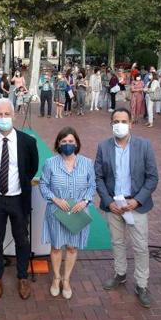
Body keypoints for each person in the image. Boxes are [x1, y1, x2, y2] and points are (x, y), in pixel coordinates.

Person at [94, 108, 158, 308]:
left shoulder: (144, 146)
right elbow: (98, 177)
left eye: (123, 121)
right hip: (113, 205)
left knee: (140, 246)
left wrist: (137, 200)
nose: (119, 124)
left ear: (131, 123)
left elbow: (152, 177)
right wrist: (108, 201)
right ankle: (120, 274)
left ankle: (141, 284)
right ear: (111, 124)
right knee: (117, 242)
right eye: (115, 121)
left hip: (135, 205)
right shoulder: (103, 146)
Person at [0, 98, 39, 300]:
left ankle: (22, 276)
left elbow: (32, 168)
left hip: (19, 200)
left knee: (22, 239)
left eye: (7, 114)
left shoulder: (27, 142)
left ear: (14, 115)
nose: (3, 118)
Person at [39, 127, 95, 299]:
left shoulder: (87, 163)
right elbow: (43, 184)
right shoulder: (50, 163)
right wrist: (55, 199)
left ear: (76, 143)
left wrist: (85, 201)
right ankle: (56, 278)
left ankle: (66, 279)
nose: (67, 144)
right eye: (64, 142)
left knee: (71, 247)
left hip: (78, 212)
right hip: (57, 211)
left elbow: (92, 186)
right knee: (56, 247)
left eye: (71, 141)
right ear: (58, 144)